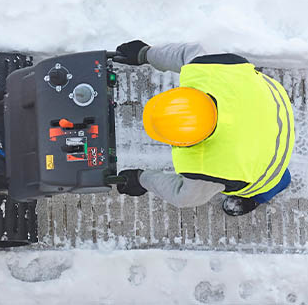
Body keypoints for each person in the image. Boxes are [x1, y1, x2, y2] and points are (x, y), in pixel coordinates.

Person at [109, 40, 295, 216]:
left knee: (268, 178)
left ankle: (267, 191)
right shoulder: (209, 69)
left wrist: (141, 180)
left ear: (186, 143)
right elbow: (185, 53)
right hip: (274, 104)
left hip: (270, 154)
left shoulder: (210, 172)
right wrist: (145, 54)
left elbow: (182, 197)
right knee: (253, 160)